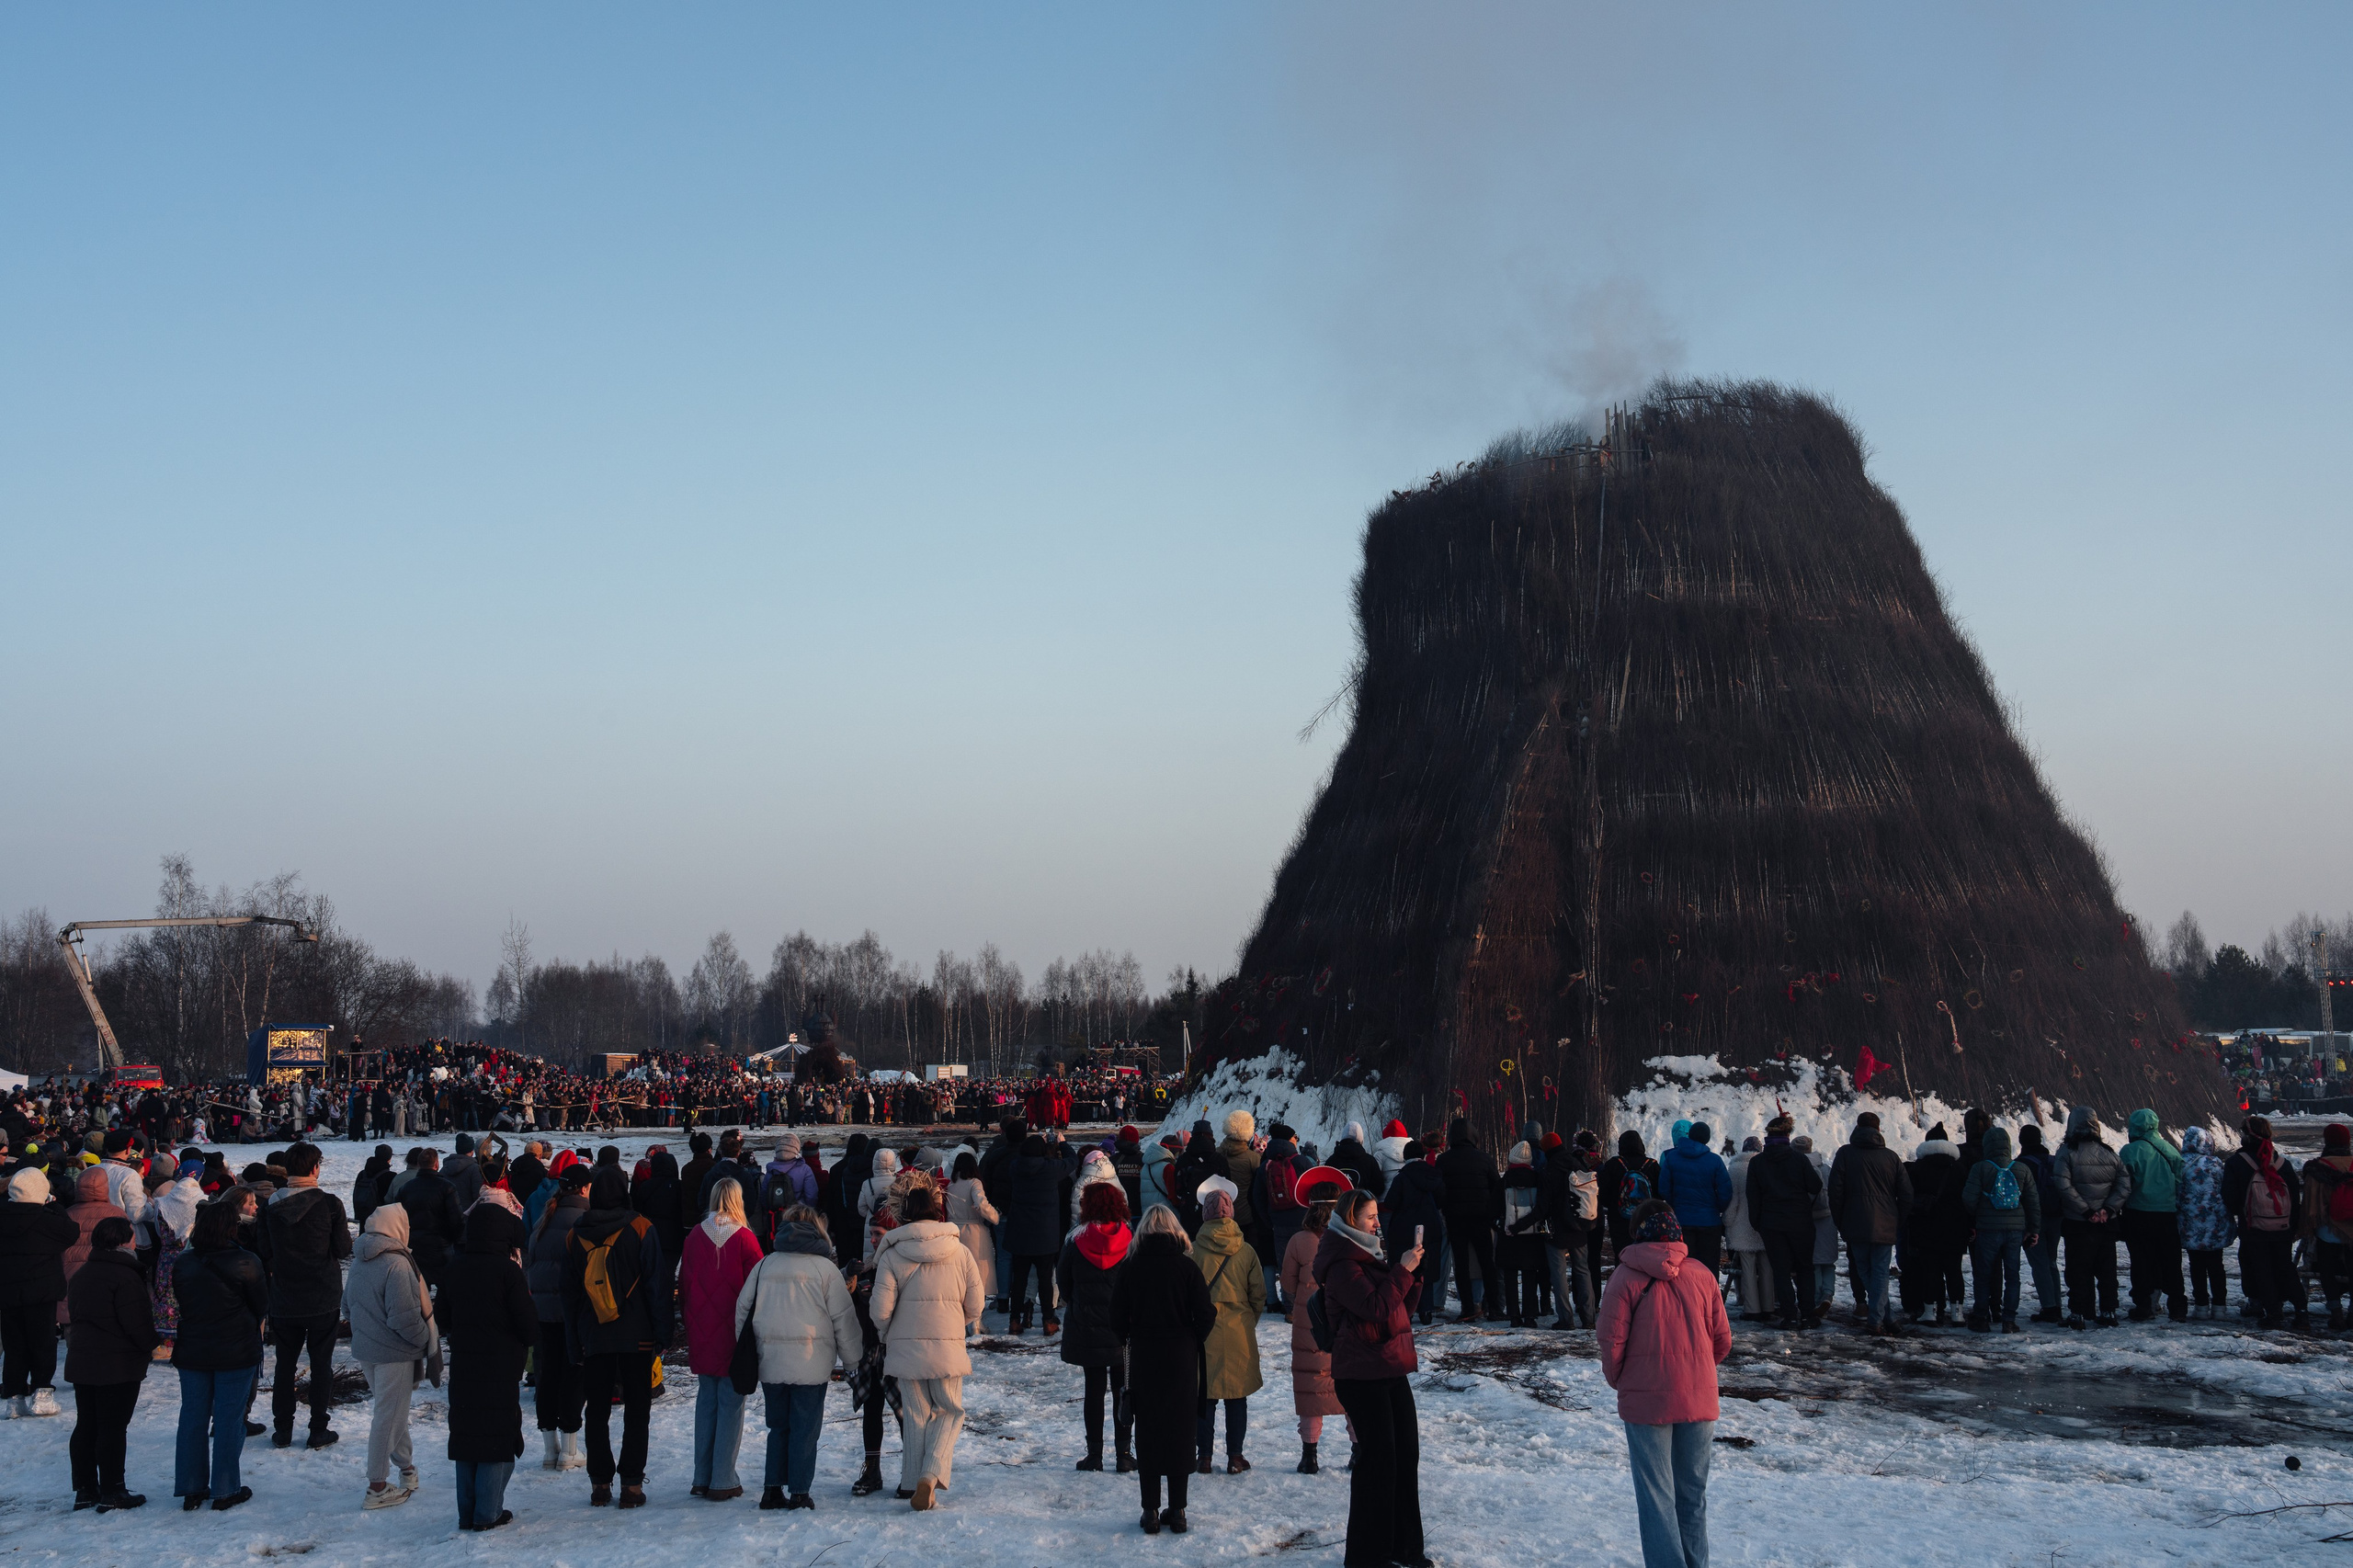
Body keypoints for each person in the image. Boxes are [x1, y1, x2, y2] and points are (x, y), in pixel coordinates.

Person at [1599, 1201, 1730, 1568]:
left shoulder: (1624, 1277)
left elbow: (1610, 1341)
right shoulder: (1702, 1274)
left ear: (1637, 1231)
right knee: (1692, 1495)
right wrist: (1695, 1372)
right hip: (1699, 1397)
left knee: (1656, 1497)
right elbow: (1722, 1340)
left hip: (1646, 1401)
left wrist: (1621, 1380)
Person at [1314, 1187, 1427, 1568]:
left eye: (1377, 1215)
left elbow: (1396, 1315)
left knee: (1405, 1457)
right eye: (1370, 1217)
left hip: (1389, 1365)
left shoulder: (1370, 1255)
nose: (1378, 1222)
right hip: (1361, 1374)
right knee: (1378, 1462)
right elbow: (1375, 1308)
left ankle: (1406, 1549)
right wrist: (1401, 1271)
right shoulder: (1343, 1263)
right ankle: (1367, 1556)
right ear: (1351, 1221)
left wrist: (1414, 1278)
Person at [735, 1206, 860, 1510]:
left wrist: (750, 1348)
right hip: (811, 1362)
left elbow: (742, 1309)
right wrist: (853, 1361)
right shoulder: (825, 1270)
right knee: (805, 1428)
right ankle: (800, 1492)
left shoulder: (765, 1265)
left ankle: (771, 1490)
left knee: (778, 1426)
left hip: (770, 1361)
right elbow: (843, 1319)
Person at [870, 1180, 983, 1511]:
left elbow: (879, 1312)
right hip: (948, 1348)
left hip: (905, 1349)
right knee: (950, 1410)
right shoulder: (960, 1251)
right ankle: (930, 1476)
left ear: (903, 1216)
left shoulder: (890, 1255)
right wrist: (953, 1323)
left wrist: (890, 1332)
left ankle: (910, 1484)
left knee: (916, 1415)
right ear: (937, 1212)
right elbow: (975, 1305)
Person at [561, 1167, 671, 1507]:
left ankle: (600, 1482)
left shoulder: (574, 1234)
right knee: (638, 1410)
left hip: (594, 1335)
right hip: (637, 1335)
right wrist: (661, 1332)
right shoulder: (641, 1228)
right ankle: (632, 1485)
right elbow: (657, 1285)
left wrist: (573, 1340)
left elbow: (569, 1295)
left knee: (596, 1411)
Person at [1111, 1204, 1215, 1536]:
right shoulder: (1187, 1268)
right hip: (1181, 1355)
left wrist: (1128, 1335)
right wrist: (1192, 1337)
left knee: (1150, 1430)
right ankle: (1179, 1509)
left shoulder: (1130, 1267)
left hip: (1144, 1353)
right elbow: (1206, 1313)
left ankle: (1151, 1510)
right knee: (1181, 1430)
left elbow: (1116, 1316)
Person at [439, 1202, 536, 1531]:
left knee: (466, 1433)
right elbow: (528, 1325)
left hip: (465, 1361)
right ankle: (488, 1512)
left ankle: (468, 1512)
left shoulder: (455, 1267)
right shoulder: (507, 1272)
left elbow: (442, 1318)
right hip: (501, 1364)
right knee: (496, 1434)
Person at [171, 1197, 267, 1511]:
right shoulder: (246, 1261)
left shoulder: (184, 1262)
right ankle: (225, 1488)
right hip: (235, 1349)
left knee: (193, 1417)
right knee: (229, 1418)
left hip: (194, 1348)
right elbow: (260, 1306)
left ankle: (191, 1486)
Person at [256, 1142, 351, 1449]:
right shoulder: (330, 1204)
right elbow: (342, 1249)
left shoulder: (270, 1205)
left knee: (285, 1364)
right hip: (322, 1295)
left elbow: (265, 1250)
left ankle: (282, 1429)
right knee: (321, 1364)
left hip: (284, 1296)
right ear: (314, 1169)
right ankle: (317, 1428)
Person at [678, 1176, 764, 1501]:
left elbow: (685, 1284)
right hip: (734, 1333)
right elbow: (757, 1288)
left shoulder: (694, 1237)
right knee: (731, 1404)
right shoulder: (745, 1239)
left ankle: (702, 1475)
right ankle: (723, 1477)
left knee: (706, 1402)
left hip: (701, 1329)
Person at [344, 1205, 435, 1510]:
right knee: (388, 1417)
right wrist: (426, 1341)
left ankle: (407, 1469)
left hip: (367, 1351)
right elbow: (405, 1319)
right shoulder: (398, 1264)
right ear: (398, 1228)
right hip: (394, 1353)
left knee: (392, 1413)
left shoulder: (360, 1261)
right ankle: (377, 1487)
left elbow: (347, 1308)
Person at [64, 1214, 155, 1511]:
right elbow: (136, 1323)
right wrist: (150, 1344)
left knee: (87, 1424)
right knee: (112, 1427)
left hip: (83, 1359)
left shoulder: (83, 1273)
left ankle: (86, 1488)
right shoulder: (125, 1276)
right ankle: (113, 1489)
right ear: (123, 1242)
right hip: (116, 1363)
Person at [1057, 1179, 1134, 1471]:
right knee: (1122, 1390)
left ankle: (1095, 1455)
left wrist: (1078, 1304)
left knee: (1093, 1391)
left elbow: (1063, 1283)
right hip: (1122, 1330)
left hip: (1086, 1326)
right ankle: (1124, 1454)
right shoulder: (1129, 1239)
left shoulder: (1075, 1241)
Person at [1188, 1180, 1264, 1472]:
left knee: (1204, 1398)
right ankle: (1235, 1457)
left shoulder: (1193, 1251)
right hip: (1238, 1333)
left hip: (1203, 1332)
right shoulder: (1245, 1252)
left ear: (1205, 1216)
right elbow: (1258, 1295)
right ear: (1231, 1213)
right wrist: (1246, 1321)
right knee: (1237, 1397)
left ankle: (1204, 1457)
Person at [527, 1166, 591, 1470]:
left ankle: (549, 1450)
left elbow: (531, 1264)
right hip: (572, 1312)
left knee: (547, 1377)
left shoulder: (545, 1217)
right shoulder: (584, 1221)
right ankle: (570, 1449)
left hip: (542, 1312)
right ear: (584, 1189)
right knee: (573, 1375)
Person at [0, 1165, 76, 1418]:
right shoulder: (47, 1220)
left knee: (14, 1344)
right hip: (42, 1291)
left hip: (8, 1290)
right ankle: (42, 1392)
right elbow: (71, 1232)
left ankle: (14, 1398)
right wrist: (52, 1204)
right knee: (42, 1342)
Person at [1825, 1111, 1910, 1335]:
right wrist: (1897, 1220)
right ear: (1879, 1130)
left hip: (1855, 1222)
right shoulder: (1891, 1157)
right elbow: (1907, 1194)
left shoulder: (1845, 1154)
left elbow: (1835, 1191)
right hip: (1885, 1223)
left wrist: (1841, 1221)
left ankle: (1877, 1319)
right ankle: (1885, 1318)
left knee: (1865, 1271)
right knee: (1880, 1273)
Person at [1282, 1189, 1347, 1472]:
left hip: (1308, 1320)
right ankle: (1358, 1450)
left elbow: (1287, 1283)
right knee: (1349, 1386)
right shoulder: (1347, 1240)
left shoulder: (1298, 1241)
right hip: (1343, 1321)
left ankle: (1309, 1456)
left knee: (1310, 1388)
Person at [2052, 1107, 2131, 1329]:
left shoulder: (2067, 1152)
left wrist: (2086, 1211)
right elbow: (2124, 1185)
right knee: (2107, 1270)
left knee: (2078, 1269)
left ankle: (2079, 1313)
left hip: (2078, 1223)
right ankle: (2108, 1311)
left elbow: (2062, 1184)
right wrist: (2108, 1209)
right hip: (2106, 1224)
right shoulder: (2109, 1153)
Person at [2222, 1115, 2302, 1328]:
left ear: (2247, 1135)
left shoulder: (2236, 1163)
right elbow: (2294, 1196)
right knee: (2285, 1266)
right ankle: (2301, 1312)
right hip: (2282, 1226)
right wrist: (2292, 1224)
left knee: (2260, 1268)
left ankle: (2272, 1311)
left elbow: (2229, 1197)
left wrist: (2243, 1212)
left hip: (2253, 1227)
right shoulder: (2281, 1163)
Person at [1958, 1127, 2040, 1333]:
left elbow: (1968, 1198)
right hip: (2015, 1231)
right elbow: (2033, 1202)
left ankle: (1981, 1317)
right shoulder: (2021, 1169)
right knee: (2012, 1275)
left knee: (1984, 1274)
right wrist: (2033, 1228)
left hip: (1987, 1229)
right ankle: (2009, 1320)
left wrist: (1979, 1215)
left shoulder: (1980, 1168)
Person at [1745, 1115, 1822, 1330]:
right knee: (1805, 1268)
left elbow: (1753, 1196)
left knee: (1781, 1270)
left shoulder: (1757, 1162)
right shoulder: (1799, 1159)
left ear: (1768, 1135)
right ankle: (1808, 1315)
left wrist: (1757, 1222)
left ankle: (1789, 1316)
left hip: (1771, 1224)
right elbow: (1815, 1186)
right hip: (1800, 1222)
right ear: (1788, 1135)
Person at [2115, 1109, 2188, 1324]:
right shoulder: (2170, 1149)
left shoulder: (2129, 1151)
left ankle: (2144, 1305)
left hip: (2138, 1214)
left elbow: (2124, 1184)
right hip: (2167, 1214)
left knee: (2141, 1261)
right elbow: (2180, 1181)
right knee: (2171, 1262)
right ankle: (2178, 1307)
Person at [1004, 1133, 1074, 1335]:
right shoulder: (1049, 1168)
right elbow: (1072, 1160)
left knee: (1019, 1279)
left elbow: (1019, 1159)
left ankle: (1015, 1320)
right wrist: (1062, 1142)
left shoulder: (1015, 1167)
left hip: (1020, 1232)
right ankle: (1047, 1320)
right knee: (1045, 1280)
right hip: (1044, 1232)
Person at [1904, 1124, 1970, 1325]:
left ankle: (1930, 1312)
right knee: (1954, 1271)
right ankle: (1957, 1313)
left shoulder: (1918, 1167)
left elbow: (1909, 1197)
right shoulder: (1960, 1168)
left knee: (1930, 1271)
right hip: (1955, 1228)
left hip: (1926, 1227)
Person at [1656, 1121, 1733, 1273]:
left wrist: (1676, 1204)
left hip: (1681, 1221)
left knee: (1684, 1266)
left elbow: (1664, 1189)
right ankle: (1709, 1296)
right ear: (1707, 1139)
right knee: (1709, 1267)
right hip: (1709, 1222)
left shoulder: (1672, 1158)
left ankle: (1686, 1296)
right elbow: (1726, 1192)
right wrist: (1715, 1208)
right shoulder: (1715, 1160)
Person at [2177, 1126, 2233, 1320]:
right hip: (2215, 1224)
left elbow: (2177, 1194)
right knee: (2217, 1265)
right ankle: (2220, 1305)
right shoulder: (2215, 1163)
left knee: (2196, 1266)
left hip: (2191, 1225)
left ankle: (2200, 1305)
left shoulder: (2180, 1164)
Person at [2301, 1124, 2353, 1329]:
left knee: (2326, 1269)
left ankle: (2336, 1312)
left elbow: (2311, 1206)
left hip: (2328, 1231)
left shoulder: (2317, 1168)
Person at [2014, 1127, 2066, 1323]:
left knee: (2039, 1263)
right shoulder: (2054, 1161)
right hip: (2056, 1217)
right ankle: (2056, 1306)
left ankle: (2049, 1307)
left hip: (2031, 1221)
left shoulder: (2020, 1165)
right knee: (2052, 1261)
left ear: (2021, 1141)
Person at [397, 1147, 467, 1294]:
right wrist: (452, 1239)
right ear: (436, 1164)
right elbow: (457, 1219)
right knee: (447, 1292)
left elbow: (397, 1217)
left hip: (415, 1247)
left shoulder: (406, 1188)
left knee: (419, 1294)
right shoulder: (446, 1188)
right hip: (441, 1248)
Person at [945, 1152, 999, 1334]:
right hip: (975, 1233)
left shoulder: (950, 1184)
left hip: (953, 1232)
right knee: (978, 1278)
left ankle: (961, 1320)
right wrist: (995, 1216)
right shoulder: (974, 1183)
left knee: (959, 1279)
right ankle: (976, 1322)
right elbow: (982, 1204)